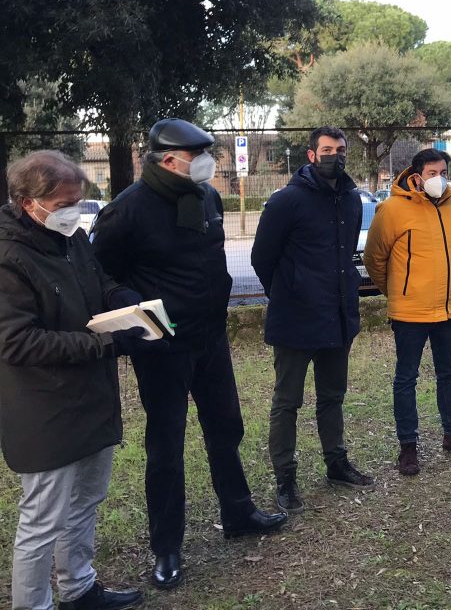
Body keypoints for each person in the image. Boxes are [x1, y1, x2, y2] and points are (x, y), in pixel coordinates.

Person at [91, 119, 287, 590]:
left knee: (226, 427)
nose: (208, 162)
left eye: (209, 153)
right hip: (162, 346)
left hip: (210, 336)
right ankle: (167, 548)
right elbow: (101, 275)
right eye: (199, 155)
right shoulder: (127, 211)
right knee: (166, 446)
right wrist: (124, 300)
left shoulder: (208, 198)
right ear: (167, 160)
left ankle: (238, 512)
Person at [0, 151, 154, 610]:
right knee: (42, 519)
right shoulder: (9, 258)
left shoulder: (70, 238)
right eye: (65, 203)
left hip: (90, 397)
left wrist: (121, 297)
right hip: (43, 409)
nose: (74, 211)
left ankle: (79, 587)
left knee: (86, 501)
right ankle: (34, 604)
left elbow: (96, 282)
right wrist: (105, 345)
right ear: (31, 203)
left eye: (77, 201)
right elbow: (18, 342)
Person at [251, 126, 373, 514]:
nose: (333, 155)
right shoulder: (286, 201)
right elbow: (261, 258)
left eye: (339, 149)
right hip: (296, 319)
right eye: (325, 149)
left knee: (332, 396)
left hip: (338, 317)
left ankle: (336, 462)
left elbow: (345, 253)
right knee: (287, 402)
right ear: (310, 155)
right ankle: (285, 478)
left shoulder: (352, 200)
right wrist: (289, 292)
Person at [363, 148, 451, 476]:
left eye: (443, 171)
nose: (439, 178)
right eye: (432, 172)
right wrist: (397, 292)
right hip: (409, 312)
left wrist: (449, 284)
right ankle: (408, 447)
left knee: (449, 373)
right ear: (416, 175)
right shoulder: (391, 210)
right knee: (406, 379)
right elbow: (374, 258)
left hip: (448, 309)